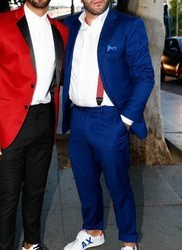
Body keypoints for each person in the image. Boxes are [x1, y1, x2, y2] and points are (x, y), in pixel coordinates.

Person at [0, 1, 67, 250]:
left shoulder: (60, 29)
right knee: (8, 196)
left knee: (36, 190)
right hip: (7, 124)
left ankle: (31, 244)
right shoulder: (0, 23)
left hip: (45, 118)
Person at [62, 1, 154, 250]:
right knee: (84, 180)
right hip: (78, 117)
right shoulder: (67, 25)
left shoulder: (128, 26)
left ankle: (129, 241)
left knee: (118, 183)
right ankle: (92, 231)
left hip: (111, 119)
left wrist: (125, 120)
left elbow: (145, 76)